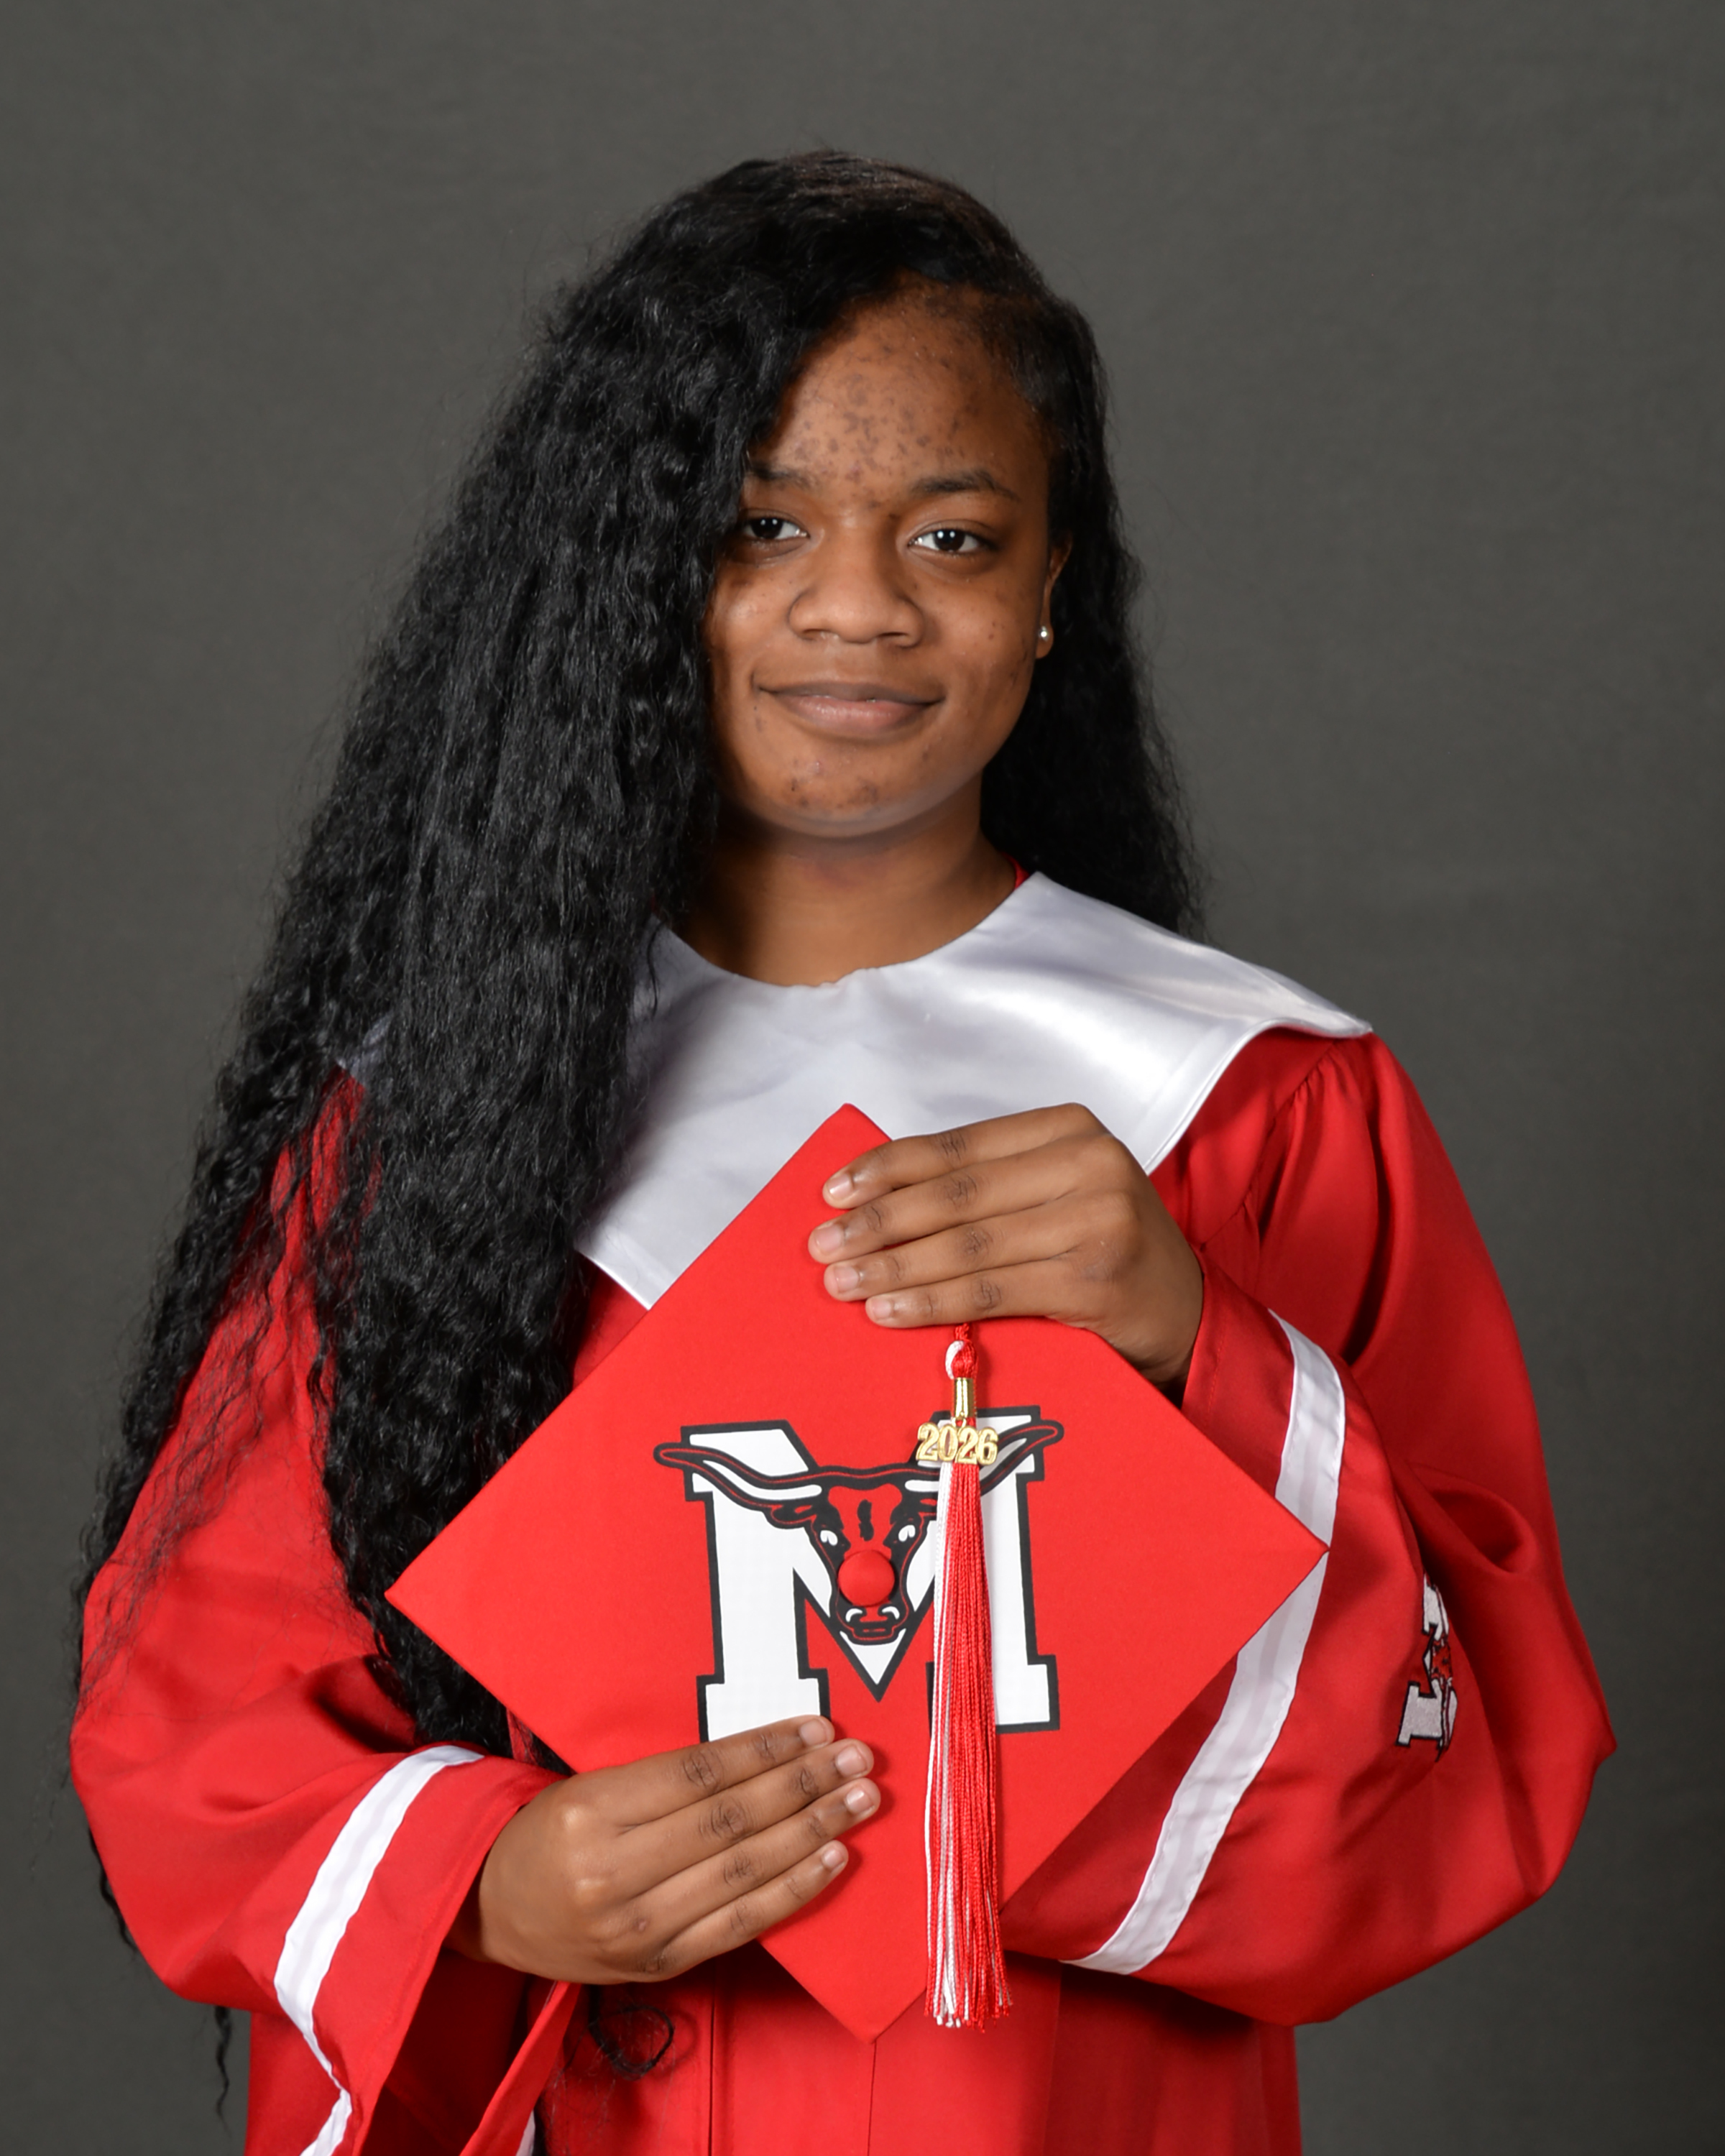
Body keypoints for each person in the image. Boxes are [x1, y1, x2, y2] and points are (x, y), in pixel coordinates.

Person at [72, 153, 1611, 2156]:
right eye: (761, 526)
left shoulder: (1245, 1104)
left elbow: (1476, 1744)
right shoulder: (439, 1124)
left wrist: (1194, 1339)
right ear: (643, 579)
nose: (860, 603)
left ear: (1052, 589)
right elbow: (198, 1707)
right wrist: (495, 1878)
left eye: (954, 537)